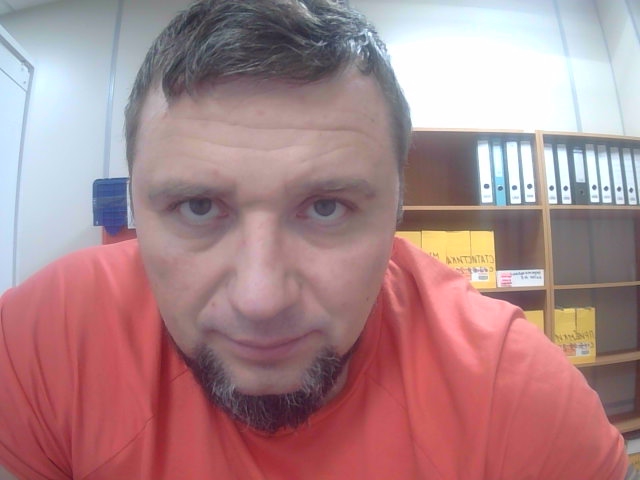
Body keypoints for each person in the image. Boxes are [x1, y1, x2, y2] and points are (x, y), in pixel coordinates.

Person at [0, 0, 634, 478]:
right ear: (136, 205)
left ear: (397, 211)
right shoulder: (46, 335)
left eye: (326, 207)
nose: (260, 299)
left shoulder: (515, 397)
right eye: (198, 206)